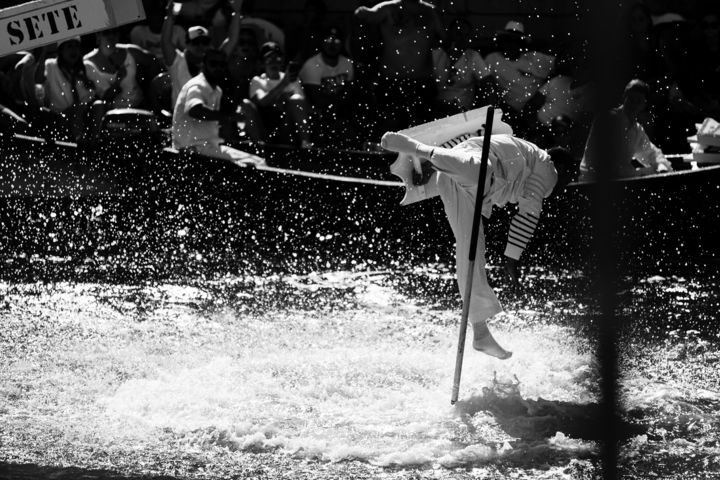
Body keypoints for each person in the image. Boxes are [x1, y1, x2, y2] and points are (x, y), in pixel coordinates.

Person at [380, 129, 579, 359]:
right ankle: (417, 149)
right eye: (572, 175)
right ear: (562, 167)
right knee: (477, 169)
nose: (570, 182)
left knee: (471, 252)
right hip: (480, 171)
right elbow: (529, 212)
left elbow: (464, 140)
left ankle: (481, 334)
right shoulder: (548, 167)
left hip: (456, 181)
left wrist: (426, 169)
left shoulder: (522, 149)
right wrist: (512, 257)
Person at [354, 0, 445, 131]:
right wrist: (362, 11)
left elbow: (444, 38)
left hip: (421, 80)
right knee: (390, 125)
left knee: (423, 127)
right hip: (392, 80)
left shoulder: (430, 11)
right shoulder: (388, 9)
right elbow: (364, 15)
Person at [172, 48, 261, 166]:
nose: (218, 68)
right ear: (203, 65)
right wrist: (229, 117)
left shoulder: (216, 90)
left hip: (207, 146)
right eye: (213, 64)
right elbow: (195, 110)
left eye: (222, 64)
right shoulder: (198, 85)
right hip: (191, 148)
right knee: (254, 164)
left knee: (259, 161)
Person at [581, 79, 672, 178]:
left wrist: (661, 166)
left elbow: (650, 153)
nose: (634, 104)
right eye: (631, 99)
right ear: (624, 97)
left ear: (644, 105)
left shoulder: (637, 129)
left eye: (639, 101)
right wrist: (645, 172)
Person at [298, 26, 355, 146]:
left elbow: (349, 94)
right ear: (321, 42)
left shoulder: (348, 63)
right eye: (328, 40)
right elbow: (316, 99)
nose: (332, 44)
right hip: (315, 113)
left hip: (338, 111)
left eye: (336, 40)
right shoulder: (312, 65)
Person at [248, 41, 312, 147]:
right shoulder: (257, 80)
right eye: (269, 58)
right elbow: (262, 102)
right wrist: (283, 84)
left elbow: (302, 107)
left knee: (296, 99)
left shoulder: (293, 79)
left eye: (277, 57)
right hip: (266, 131)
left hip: (286, 129)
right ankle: (259, 147)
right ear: (262, 62)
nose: (274, 62)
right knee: (247, 104)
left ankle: (306, 144)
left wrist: (286, 101)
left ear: (282, 60)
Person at [432, 18, 489, 115]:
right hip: (437, 110)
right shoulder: (435, 54)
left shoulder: (473, 56)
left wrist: (486, 115)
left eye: (466, 35)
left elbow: (488, 84)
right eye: (458, 34)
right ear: (449, 34)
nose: (462, 39)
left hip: (463, 112)